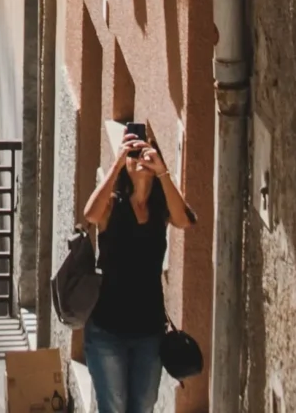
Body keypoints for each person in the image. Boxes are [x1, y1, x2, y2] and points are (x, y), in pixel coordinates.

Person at [81, 121, 195, 413]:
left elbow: (184, 220)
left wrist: (163, 172)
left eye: (145, 152)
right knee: (114, 406)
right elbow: (90, 214)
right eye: (134, 155)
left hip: (148, 329)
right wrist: (117, 162)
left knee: (143, 406)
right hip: (107, 328)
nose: (139, 160)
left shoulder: (160, 210)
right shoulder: (113, 205)